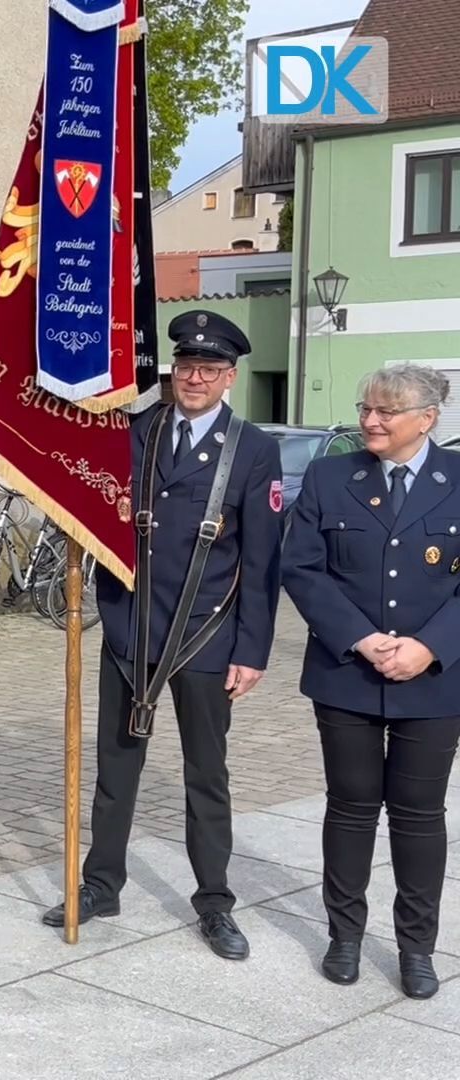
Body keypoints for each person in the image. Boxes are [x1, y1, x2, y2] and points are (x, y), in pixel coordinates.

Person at [40, 310, 282, 962]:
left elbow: (262, 563)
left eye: (209, 369)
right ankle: (101, 884)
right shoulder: (135, 431)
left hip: (205, 637)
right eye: (186, 366)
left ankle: (215, 904)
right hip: (130, 631)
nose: (194, 377)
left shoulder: (252, 449)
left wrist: (252, 651)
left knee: (207, 777)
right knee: (115, 771)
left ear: (229, 377)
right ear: (172, 370)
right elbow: (93, 502)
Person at [284, 361, 460, 1000]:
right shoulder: (333, 476)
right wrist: (361, 638)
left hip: (434, 683)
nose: (370, 420)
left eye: (386, 411)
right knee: (351, 808)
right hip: (347, 675)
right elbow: (301, 568)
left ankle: (417, 948)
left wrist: (428, 648)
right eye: (366, 408)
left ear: (427, 418)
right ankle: (345, 937)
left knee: (418, 817)